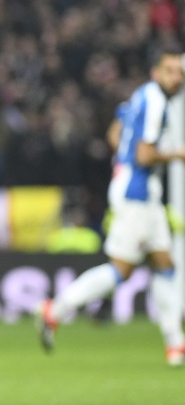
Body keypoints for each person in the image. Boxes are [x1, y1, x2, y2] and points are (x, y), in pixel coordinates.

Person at [37, 46, 185, 367]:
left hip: (137, 189)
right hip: (138, 193)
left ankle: (175, 343)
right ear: (156, 72)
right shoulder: (157, 103)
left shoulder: (138, 98)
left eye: (180, 72)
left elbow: (114, 135)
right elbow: (145, 155)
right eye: (171, 71)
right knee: (122, 270)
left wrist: (125, 160)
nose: (177, 78)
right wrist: (177, 153)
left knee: (164, 262)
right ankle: (57, 309)